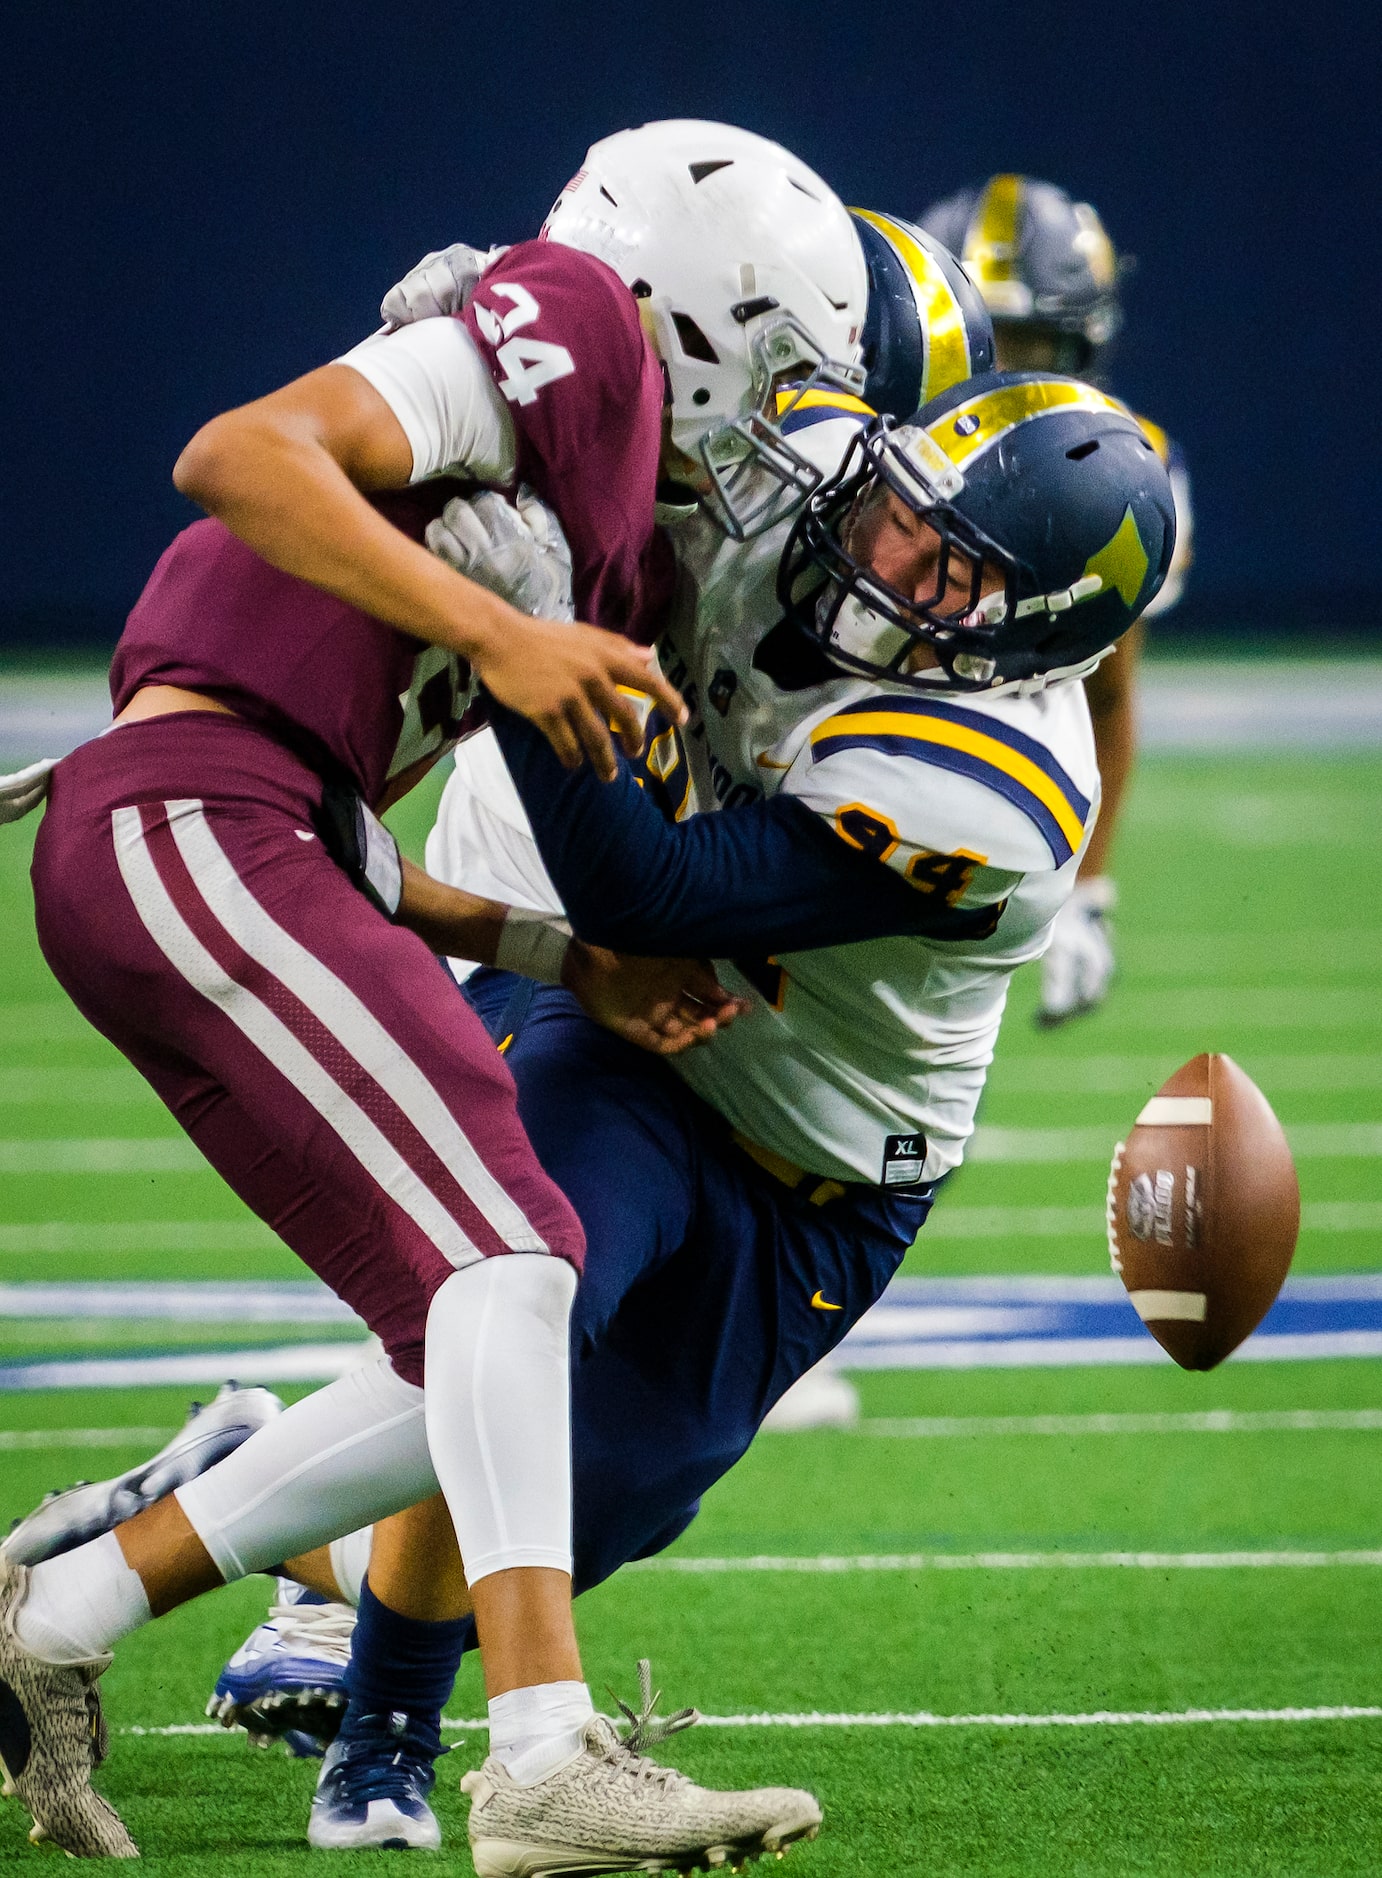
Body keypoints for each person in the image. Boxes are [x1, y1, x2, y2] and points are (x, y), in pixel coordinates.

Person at [13, 367, 1176, 1857]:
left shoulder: (995, 789)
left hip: (822, 1153)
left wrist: (521, 647)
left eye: (942, 570)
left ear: (1029, 637)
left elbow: (663, 891)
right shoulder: (806, 478)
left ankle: (241, 1505)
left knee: (572, 1500)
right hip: (620, 1028)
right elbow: (674, 373)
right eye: (893, 513)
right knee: (507, 1315)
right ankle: (389, 1745)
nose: (878, 561)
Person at [0, 121, 868, 1870]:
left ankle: (59, 1608)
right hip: (194, 820)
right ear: (690, 309)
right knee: (513, 1254)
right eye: (768, 370)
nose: (773, 426)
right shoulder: (576, 324)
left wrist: (570, 959)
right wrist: (499, 637)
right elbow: (238, 455)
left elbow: (353, 826)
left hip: (261, 832)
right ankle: (543, 1753)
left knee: (479, 1325)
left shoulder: (617, 538)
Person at [919, 175, 1194, 1023]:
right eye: (986, 342)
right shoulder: (863, 444)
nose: (1000, 377)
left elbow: (1108, 692)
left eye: (1029, 346)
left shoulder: (1117, 478)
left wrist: (1087, 892)